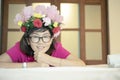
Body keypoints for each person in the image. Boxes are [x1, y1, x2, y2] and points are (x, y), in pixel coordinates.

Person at [0, 5, 85, 68]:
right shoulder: (19, 48)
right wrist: (31, 65)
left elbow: (81, 65)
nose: (41, 42)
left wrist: (49, 59)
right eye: (35, 37)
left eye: (45, 37)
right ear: (28, 40)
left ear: (51, 39)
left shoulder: (56, 48)